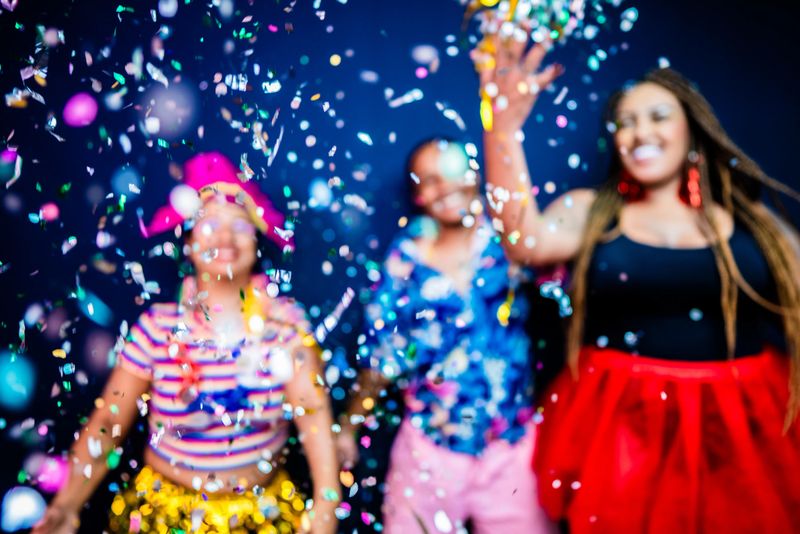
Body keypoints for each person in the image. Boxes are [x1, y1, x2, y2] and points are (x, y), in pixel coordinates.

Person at [474, 31, 800, 533]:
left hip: (738, 425)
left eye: (657, 116)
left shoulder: (753, 221)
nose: (637, 132)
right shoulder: (593, 211)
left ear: (692, 129)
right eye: (624, 122)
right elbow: (523, 241)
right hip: (624, 426)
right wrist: (503, 127)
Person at [33, 152, 340, 534]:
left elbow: (312, 415)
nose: (225, 237)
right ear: (189, 242)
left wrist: (327, 509)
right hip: (164, 516)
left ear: (257, 240)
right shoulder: (158, 328)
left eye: (240, 227)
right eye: (208, 224)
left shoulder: (286, 325)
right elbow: (109, 421)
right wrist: (66, 506)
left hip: (264, 517)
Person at [336, 138, 556, 533]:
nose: (447, 187)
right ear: (417, 193)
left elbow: (567, 286)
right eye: (431, 179)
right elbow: (382, 357)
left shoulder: (510, 242)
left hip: (511, 446)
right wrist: (350, 428)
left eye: (456, 173)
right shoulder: (403, 262)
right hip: (430, 448)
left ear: (475, 175)